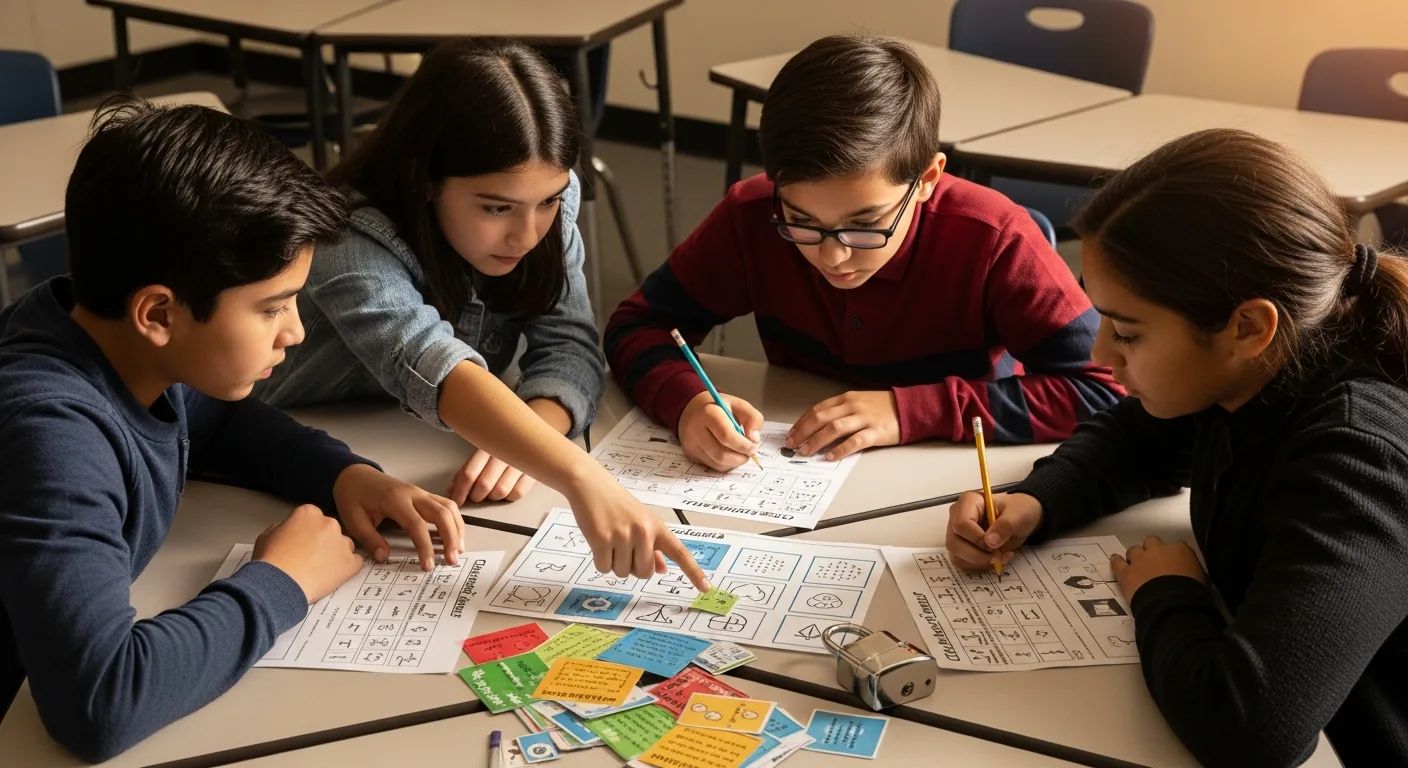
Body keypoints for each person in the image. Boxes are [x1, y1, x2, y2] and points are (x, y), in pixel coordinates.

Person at [0, 96, 468, 759]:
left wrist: (344, 475)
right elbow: (97, 700)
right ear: (158, 313)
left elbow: (211, 419)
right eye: (272, 306)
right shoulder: (53, 434)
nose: (296, 330)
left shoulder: (97, 333)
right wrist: (282, 582)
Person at [946, 128, 1408, 767]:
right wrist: (1037, 501)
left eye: (1128, 334)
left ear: (1246, 327)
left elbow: (1251, 730)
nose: (1100, 355)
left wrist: (1166, 592)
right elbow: (1134, 438)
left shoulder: (1358, 457)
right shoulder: (1259, 373)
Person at [254, 38, 705, 588]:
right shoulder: (344, 234)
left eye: (551, 201)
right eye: (496, 208)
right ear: (425, 181)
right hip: (279, 449)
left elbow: (569, 341)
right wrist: (581, 475)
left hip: (410, 443)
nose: (528, 232)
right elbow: (428, 360)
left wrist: (533, 434)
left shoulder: (537, 197)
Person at [604, 34, 1120, 472]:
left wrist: (914, 410)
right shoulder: (752, 216)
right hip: (807, 462)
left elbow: (1106, 391)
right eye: (803, 222)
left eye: (866, 224)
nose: (833, 256)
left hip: (946, 468)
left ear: (927, 180)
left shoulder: (994, 238)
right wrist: (687, 401)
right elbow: (636, 326)